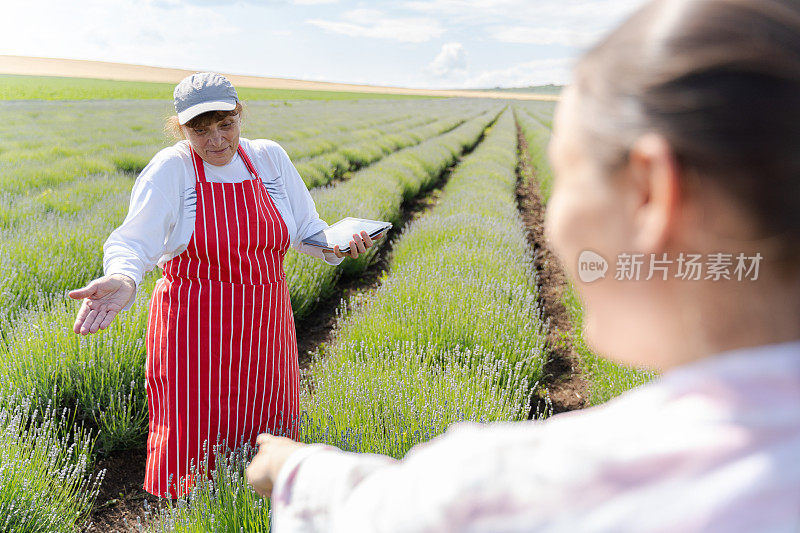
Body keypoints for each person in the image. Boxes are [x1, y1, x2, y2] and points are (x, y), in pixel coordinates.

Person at [245, 0, 800, 530]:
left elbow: (386, 512)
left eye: (566, 174)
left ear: (651, 193)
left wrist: (290, 472)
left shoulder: (540, 489)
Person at [68, 72, 380, 499]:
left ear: (240, 116)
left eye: (225, 125)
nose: (216, 139)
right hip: (196, 329)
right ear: (181, 128)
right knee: (193, 440)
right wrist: (123, 276)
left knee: (267, 432)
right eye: (200, 129)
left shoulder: (269, 158)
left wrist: (338, 246)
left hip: (266, 323)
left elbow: (308, 228)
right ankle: (193, 521)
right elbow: (131, 240)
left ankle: (255, 517)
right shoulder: (173, 168)